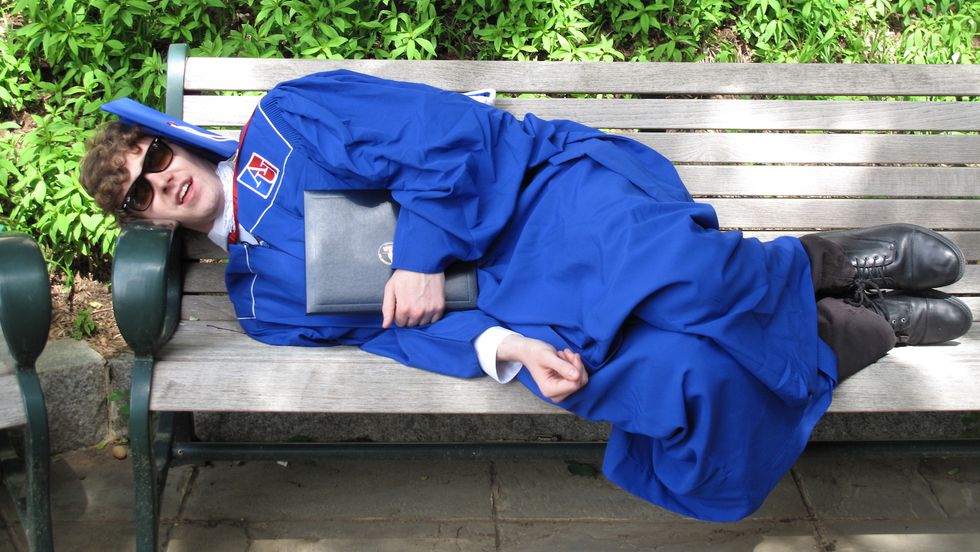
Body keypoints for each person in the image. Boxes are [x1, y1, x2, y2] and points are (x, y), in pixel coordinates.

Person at [80, 71, 972, 522]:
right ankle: (841, 333)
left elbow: (447, 134)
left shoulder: (287, 117)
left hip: (540, 199)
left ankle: (818, 264)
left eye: (154, 159)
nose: (161, 182)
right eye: (138, 195)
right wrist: (500, 348)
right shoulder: (259, 303)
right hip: (509, 303)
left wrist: (417, 257)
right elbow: (385, 336)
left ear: (173, 142)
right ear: (143, 219)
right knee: (686, 379)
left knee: (683, 274)